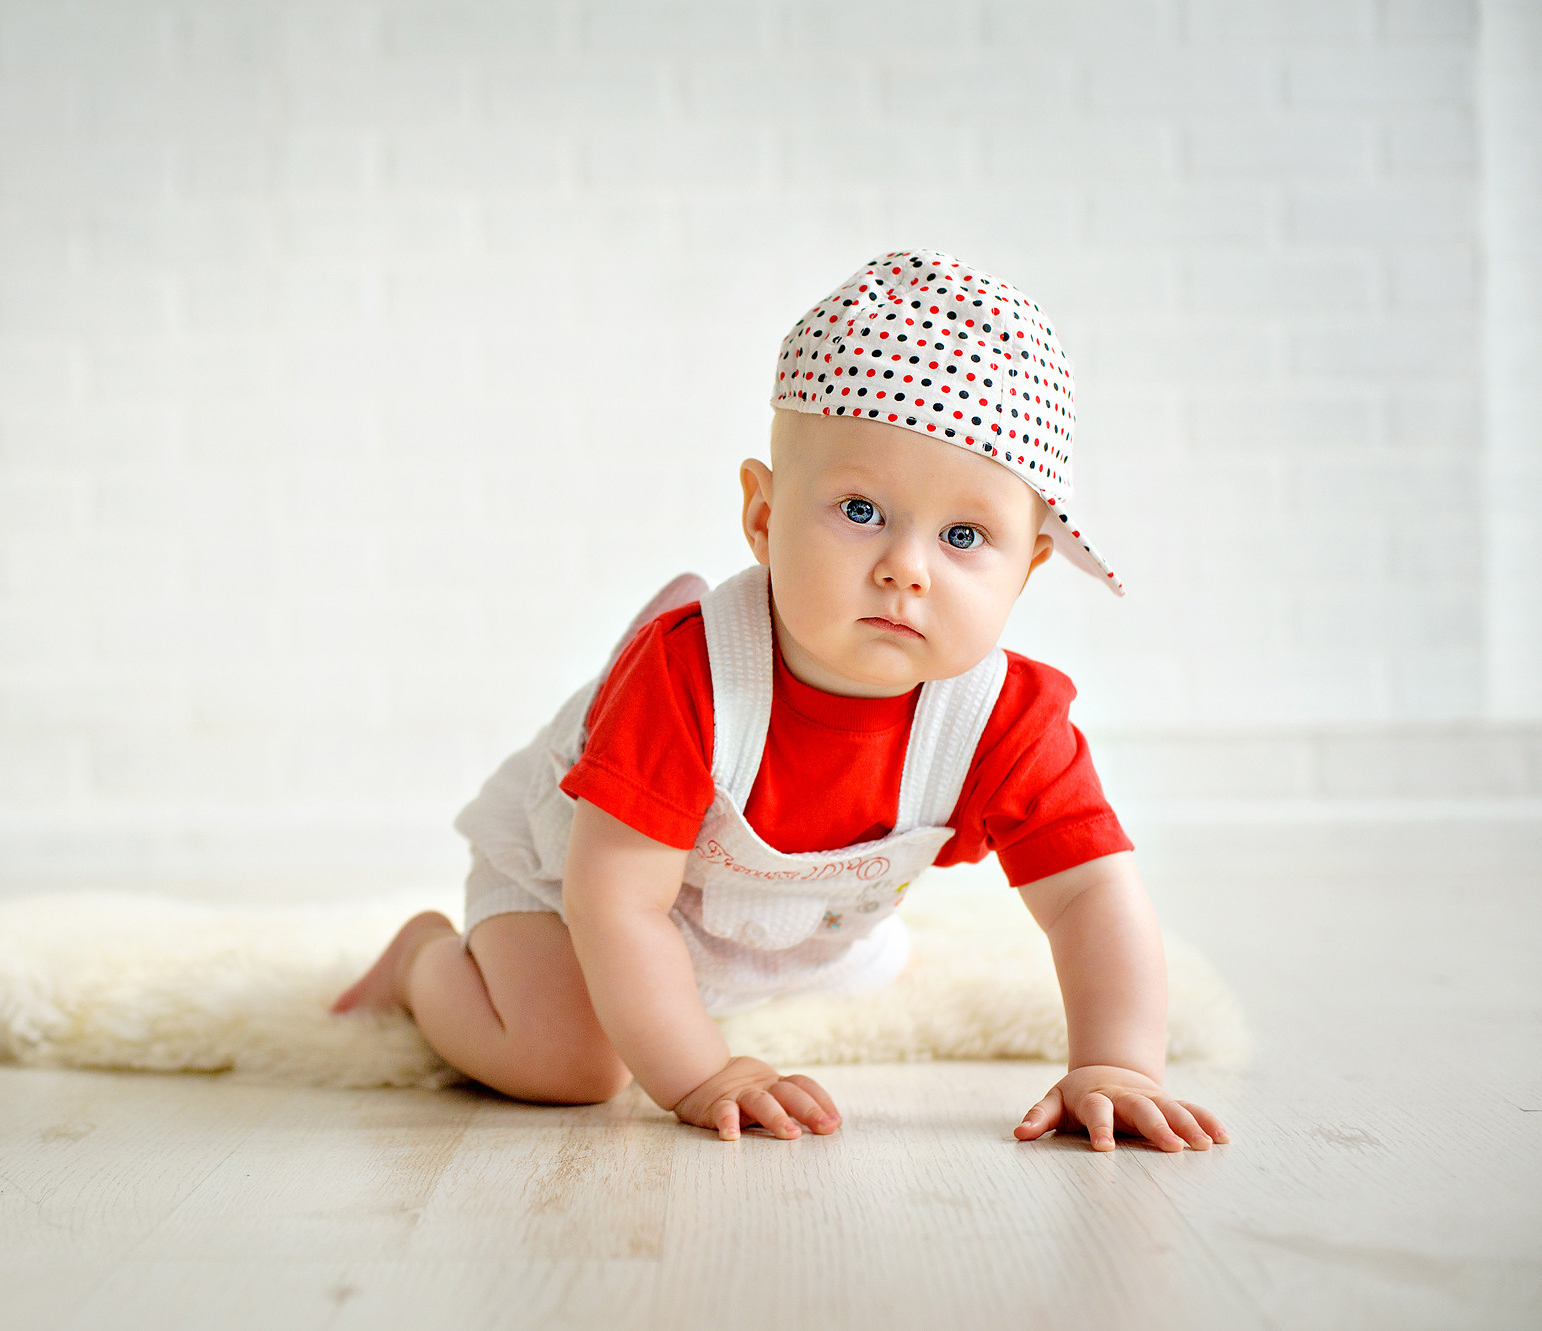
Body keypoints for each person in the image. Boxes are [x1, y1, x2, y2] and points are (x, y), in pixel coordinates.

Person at [333, 249, 1228, 1153]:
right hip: (575, 882)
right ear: (762, 516)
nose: (905, 568)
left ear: (1028, 568)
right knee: (570, 1064)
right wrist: (701, 1073)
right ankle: (424, 961)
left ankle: (750, 971)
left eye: (964, 535)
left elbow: (1088, 895)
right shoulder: (690, 676)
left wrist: (1117, 1063)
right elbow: (617, 905)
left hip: (773, 919)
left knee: (851, 969)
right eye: (859, 510)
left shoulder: (1003, 716)